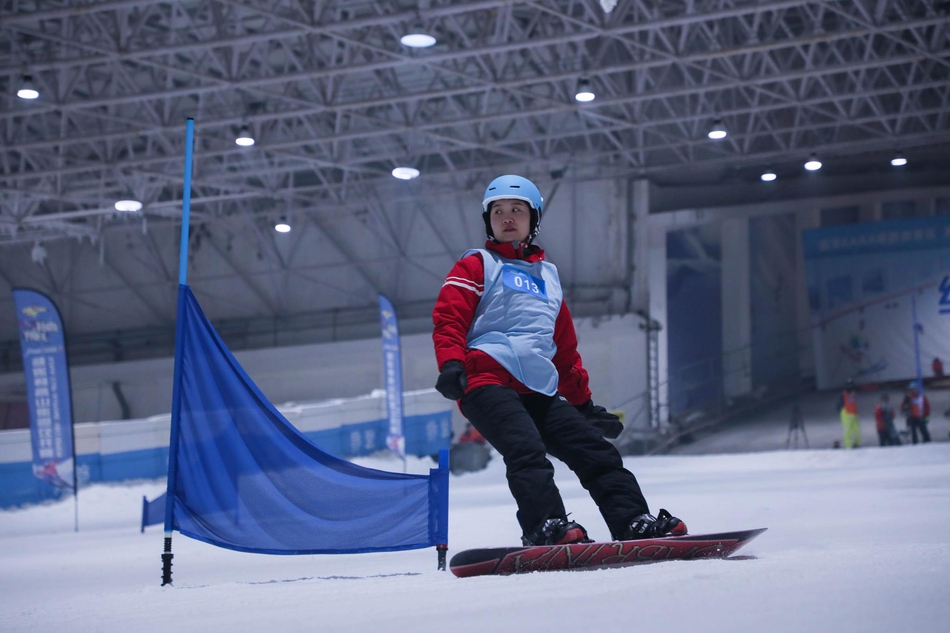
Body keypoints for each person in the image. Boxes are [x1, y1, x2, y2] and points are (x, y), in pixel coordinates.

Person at [431, 174, 686, 546]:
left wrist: (583, 405)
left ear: (533, 218)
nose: (506, 217)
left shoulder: (548, 277)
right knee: (525, 447)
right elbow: (449, 318)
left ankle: (632, 521)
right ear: (488, 220)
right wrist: (451, 363)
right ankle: (544, 527)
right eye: (497, 211)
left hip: (536, 386)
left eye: (517, 210)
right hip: (485, 381)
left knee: (594, 449)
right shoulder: (476, 265)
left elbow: (564, 349)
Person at [836, 379, 861, 449]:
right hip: (846, 413)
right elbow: (839, 405)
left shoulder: (854, 394)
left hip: (854, 414)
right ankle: (848, 445)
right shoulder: (844, 395)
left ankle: (856, 443)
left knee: (857, 430)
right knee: (848, 430)